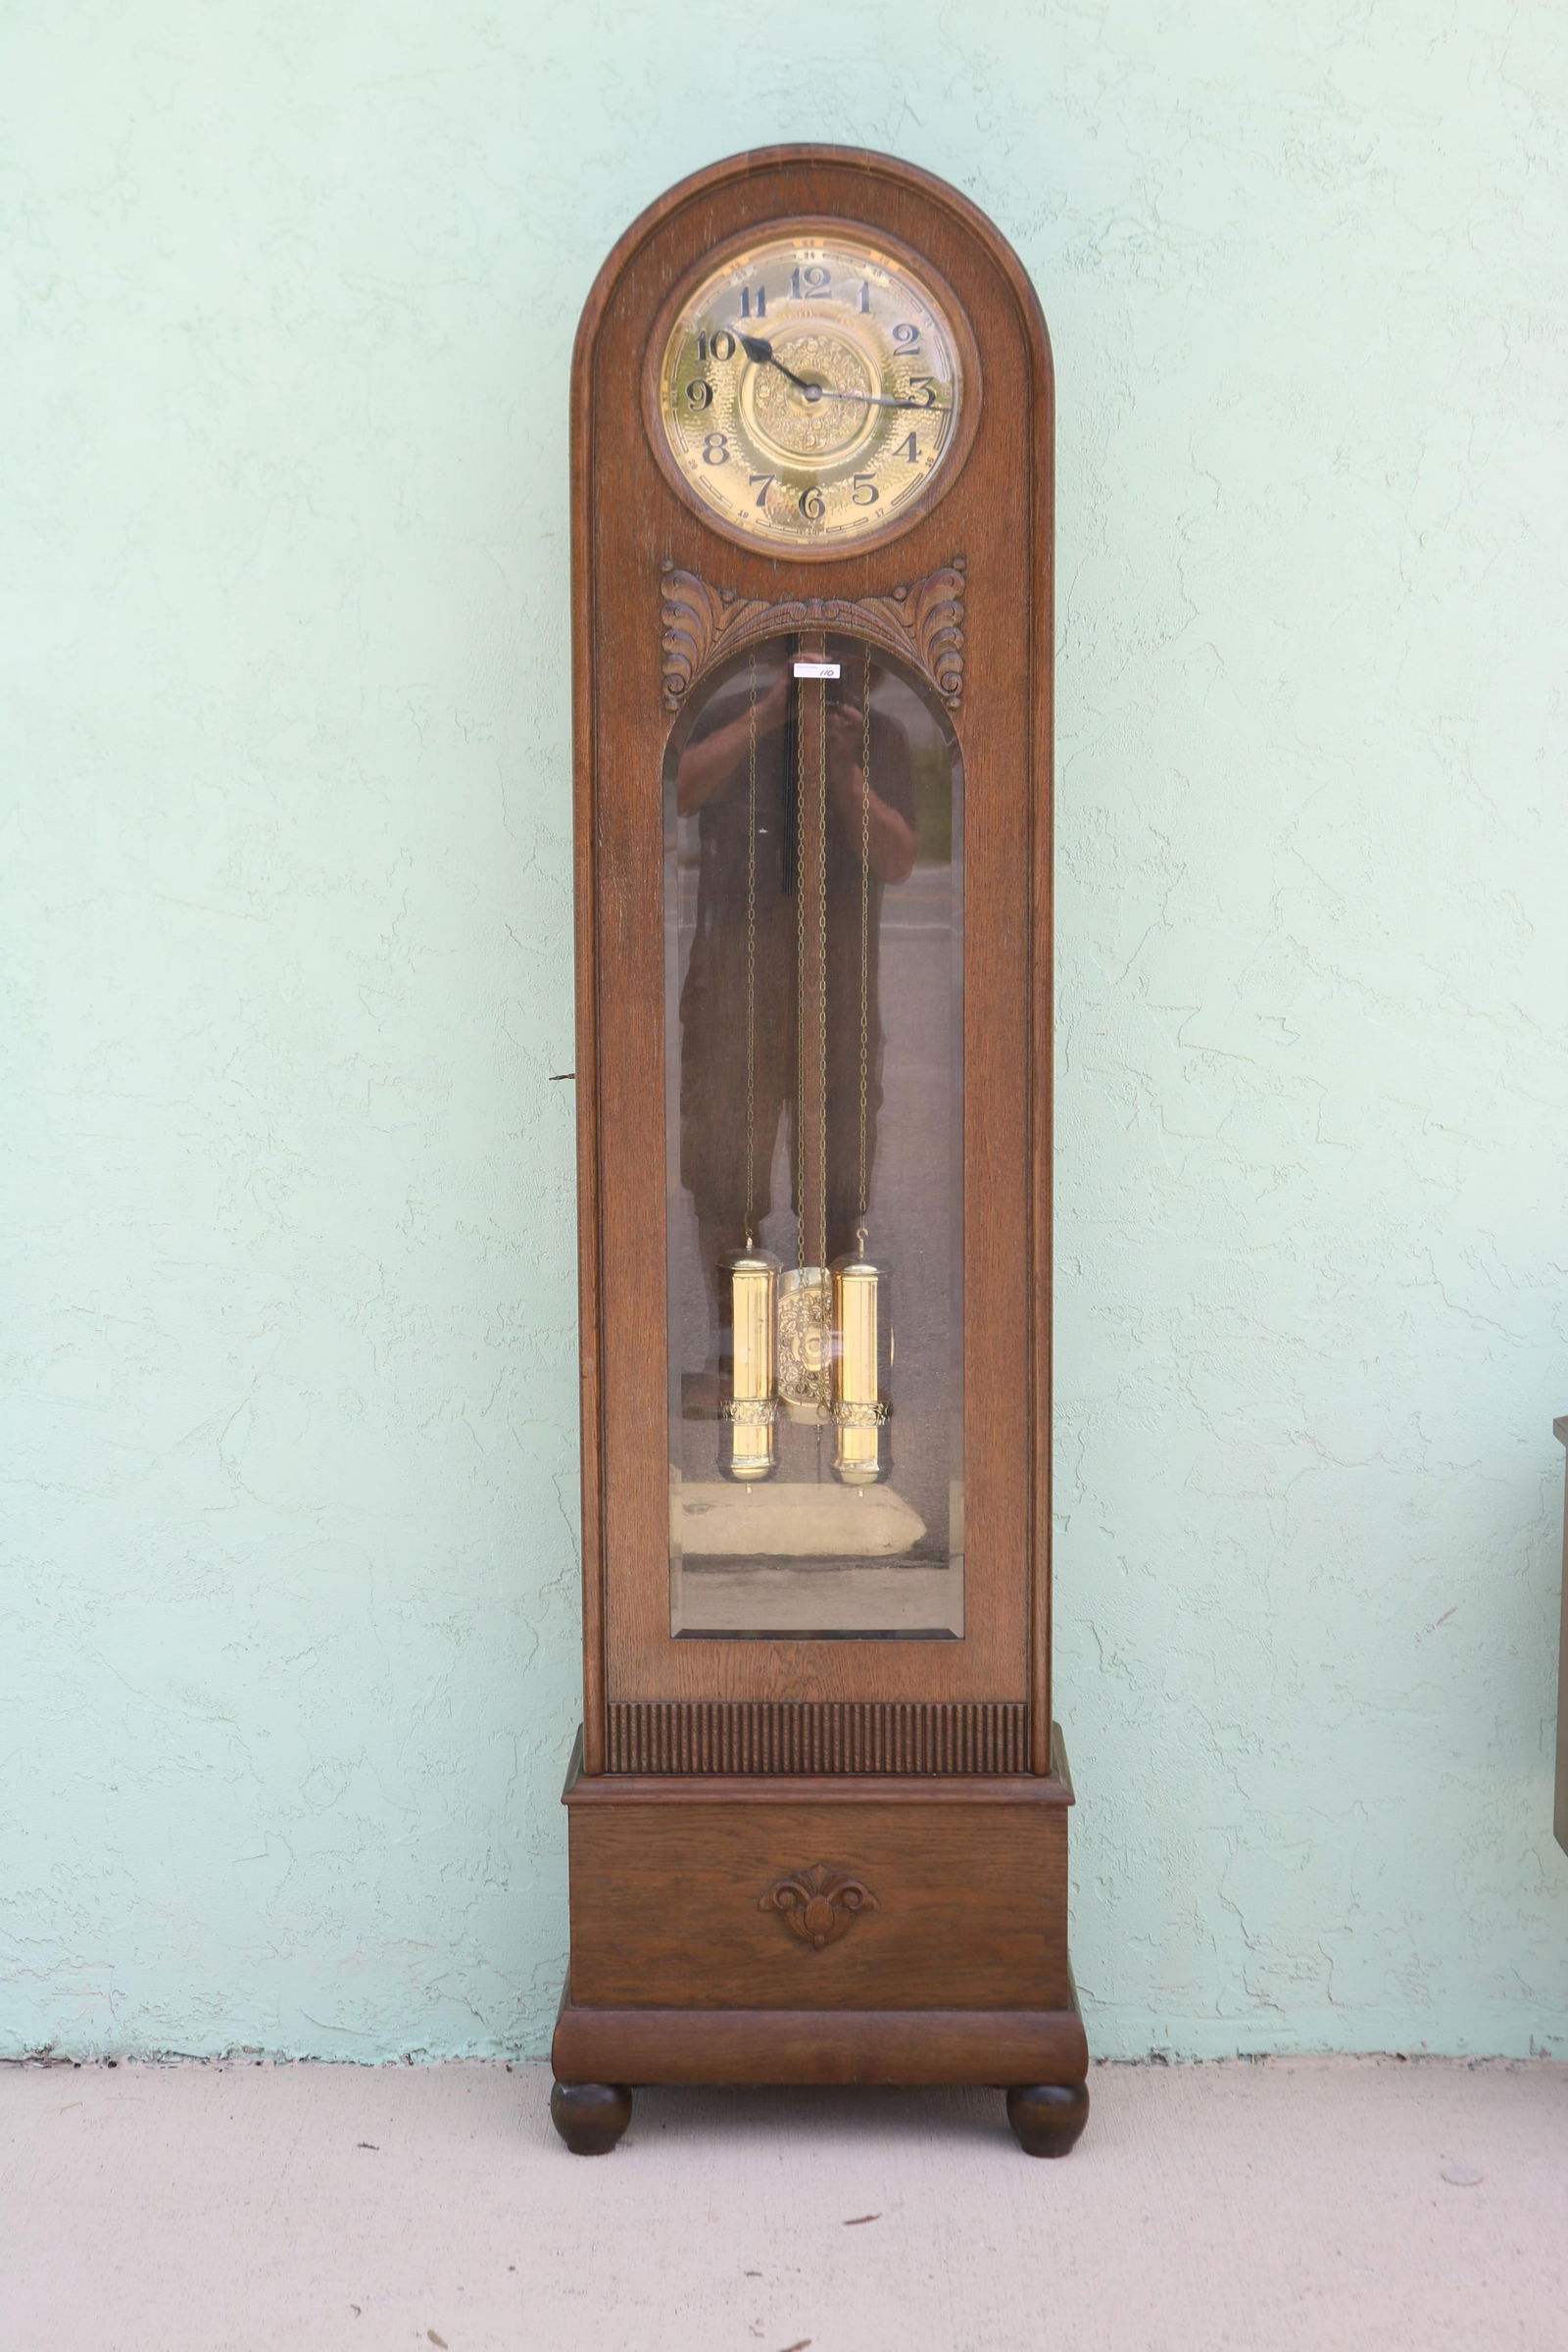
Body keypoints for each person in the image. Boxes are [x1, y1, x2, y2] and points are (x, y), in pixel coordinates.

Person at [673, 637, 917, 1331]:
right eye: (804, 668)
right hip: (730, 988)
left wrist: (841, 772)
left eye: (842, 673)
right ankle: (735, 1353)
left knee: (838, 1187)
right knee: (723, 1178)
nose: (826, 687)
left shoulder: (882, 738)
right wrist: (769, 715)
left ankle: (837, 1357)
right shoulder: (730, 714)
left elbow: (899, 858)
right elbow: (682, 789)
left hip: (836, 993)